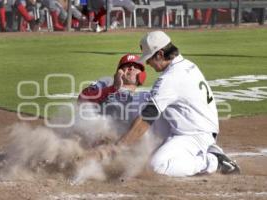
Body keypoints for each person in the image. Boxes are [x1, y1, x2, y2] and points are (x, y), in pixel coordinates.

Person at [90, 31, 240, 177]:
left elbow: (146, 119)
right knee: (137, 101)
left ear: (160, 54)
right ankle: (116, 141)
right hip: (185, 125)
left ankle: (213, 161)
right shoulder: (184, 65)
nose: (147, 63)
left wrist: (118, 148)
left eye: (149, 58)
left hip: (195, 135)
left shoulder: (171, 78)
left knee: (158, 166)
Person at [78, 53, 147, 133]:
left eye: (136, 66)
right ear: (119, 71)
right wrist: (113, 88)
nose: (131, 68)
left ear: (142, 74)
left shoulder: (143, 96)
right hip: (99, 131)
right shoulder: (107, 82)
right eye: (127, 65)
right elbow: (81, 99)